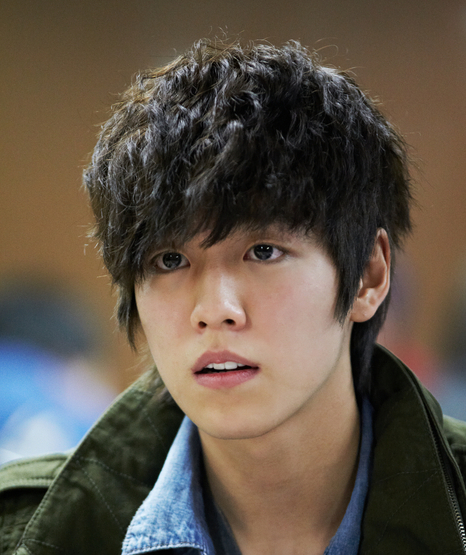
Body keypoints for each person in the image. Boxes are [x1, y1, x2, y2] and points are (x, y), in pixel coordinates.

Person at [1, 39, 465, 555]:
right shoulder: (29, 532)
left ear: (368, 277)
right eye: (169, 261)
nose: (214, 310)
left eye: (263, 252)